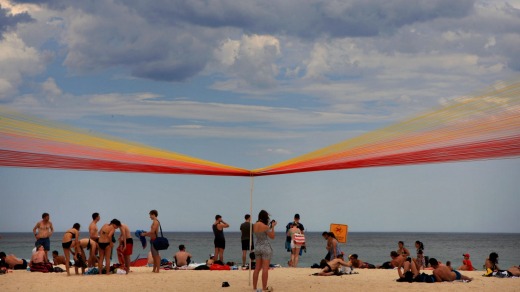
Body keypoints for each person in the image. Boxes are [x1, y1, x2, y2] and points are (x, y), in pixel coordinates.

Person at [253, 210, 276, 292]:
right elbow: (272, 236)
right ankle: (264, 287)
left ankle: (254, 287)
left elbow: (261, 233)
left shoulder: (254, 225)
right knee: (265, 268)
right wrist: (273, 227)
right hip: (265, 247)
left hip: (257, 247)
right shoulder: (265, 226)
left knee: (257, 268)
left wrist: (269, 227)